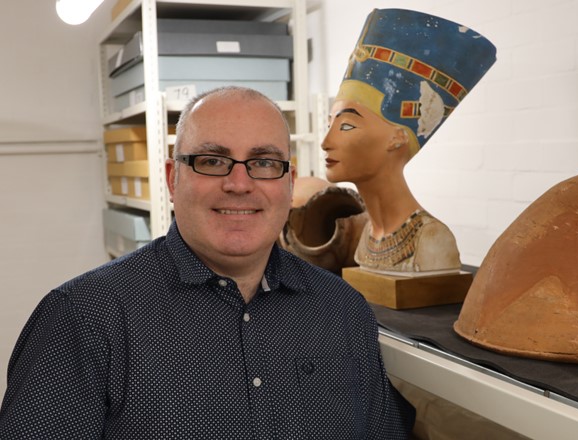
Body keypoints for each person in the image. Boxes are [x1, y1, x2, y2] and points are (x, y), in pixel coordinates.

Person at [0, 86, 415, 439]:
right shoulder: (83, 317)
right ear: (171, 179)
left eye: (265, 162)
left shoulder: (342, 310)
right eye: (212, 161)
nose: (239, 183)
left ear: (288, 185)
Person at [322, 9, 497, 274]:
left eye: (346, 125)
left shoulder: (431, 239)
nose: (325, 141)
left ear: (397, 138)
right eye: (329, 124)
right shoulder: (368, 236)